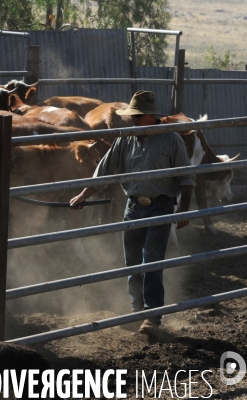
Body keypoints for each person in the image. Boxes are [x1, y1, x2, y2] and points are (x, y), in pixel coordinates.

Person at [70, 90, 195, 336]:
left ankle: (151, 315)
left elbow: (186, 176)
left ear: (151, 116)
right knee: (132, 263)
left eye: (137, 117)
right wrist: (84, 194)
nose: (133, 120)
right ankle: (137, 309)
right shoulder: (126, 138)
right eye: (132, 117)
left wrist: (184, 209)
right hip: (134, 205)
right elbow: (105, 169)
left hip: (161, 206)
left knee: (152, 260)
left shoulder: (171, 139)